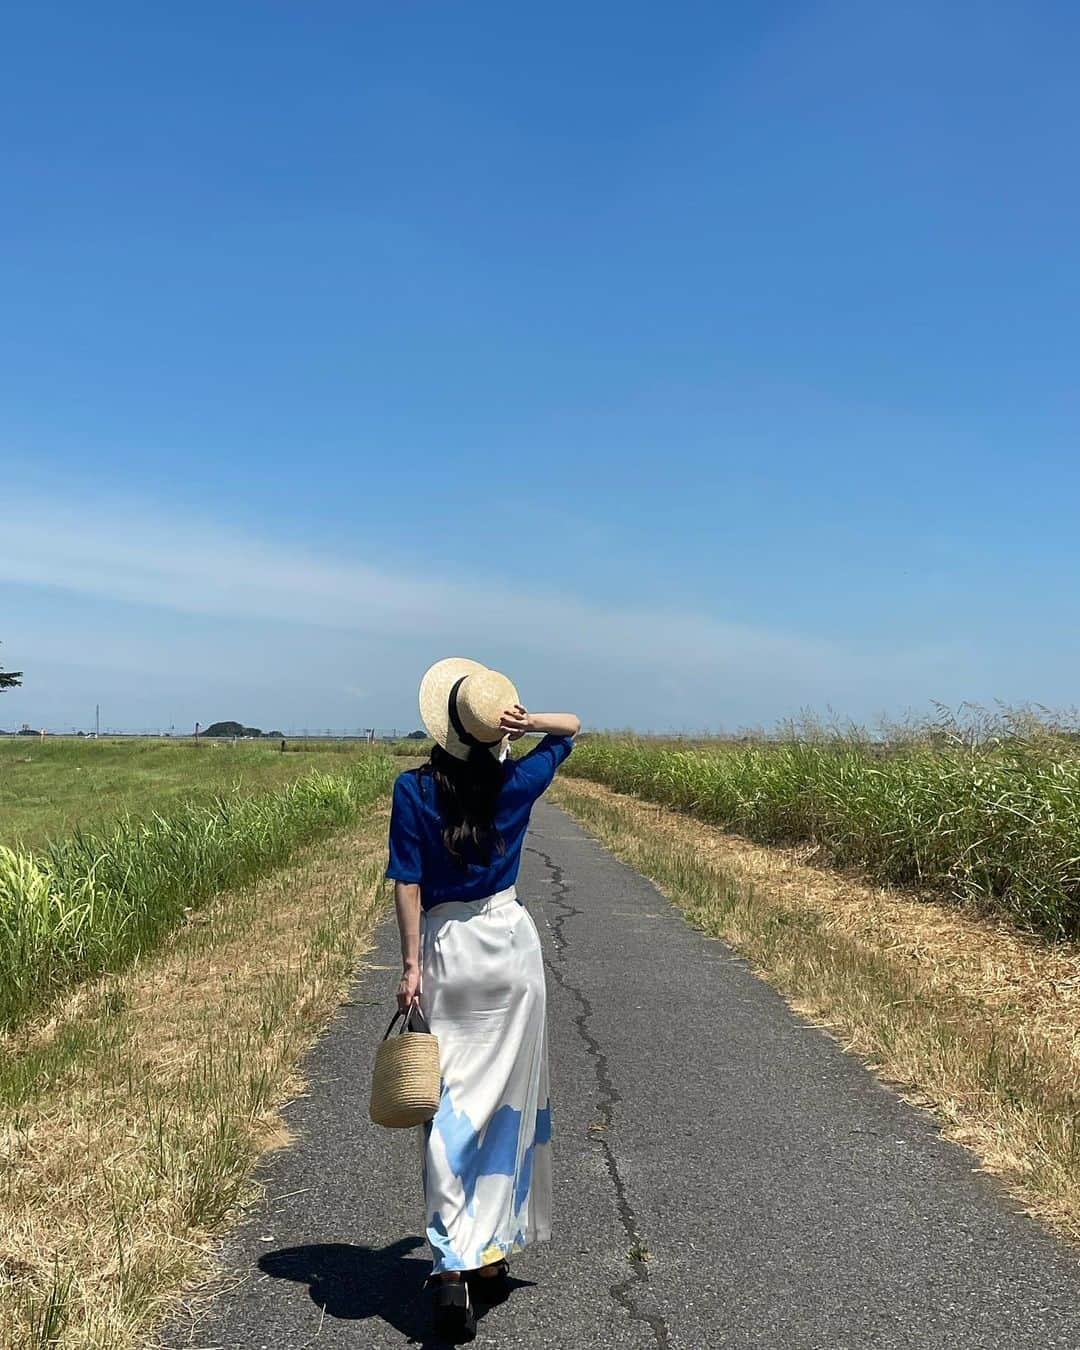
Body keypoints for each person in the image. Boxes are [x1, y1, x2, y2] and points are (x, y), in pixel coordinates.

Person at [384, 658, 580, 1340]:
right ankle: (490, 1251)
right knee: (507, 1103)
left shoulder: (413, 790)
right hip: (509, 948)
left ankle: (453, 1265)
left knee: (448, 1107)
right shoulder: (518, 778)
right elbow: (571, 732)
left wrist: (410, 966)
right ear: (498, 731)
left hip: (448, 951)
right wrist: (530, 723)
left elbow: (407, 882)